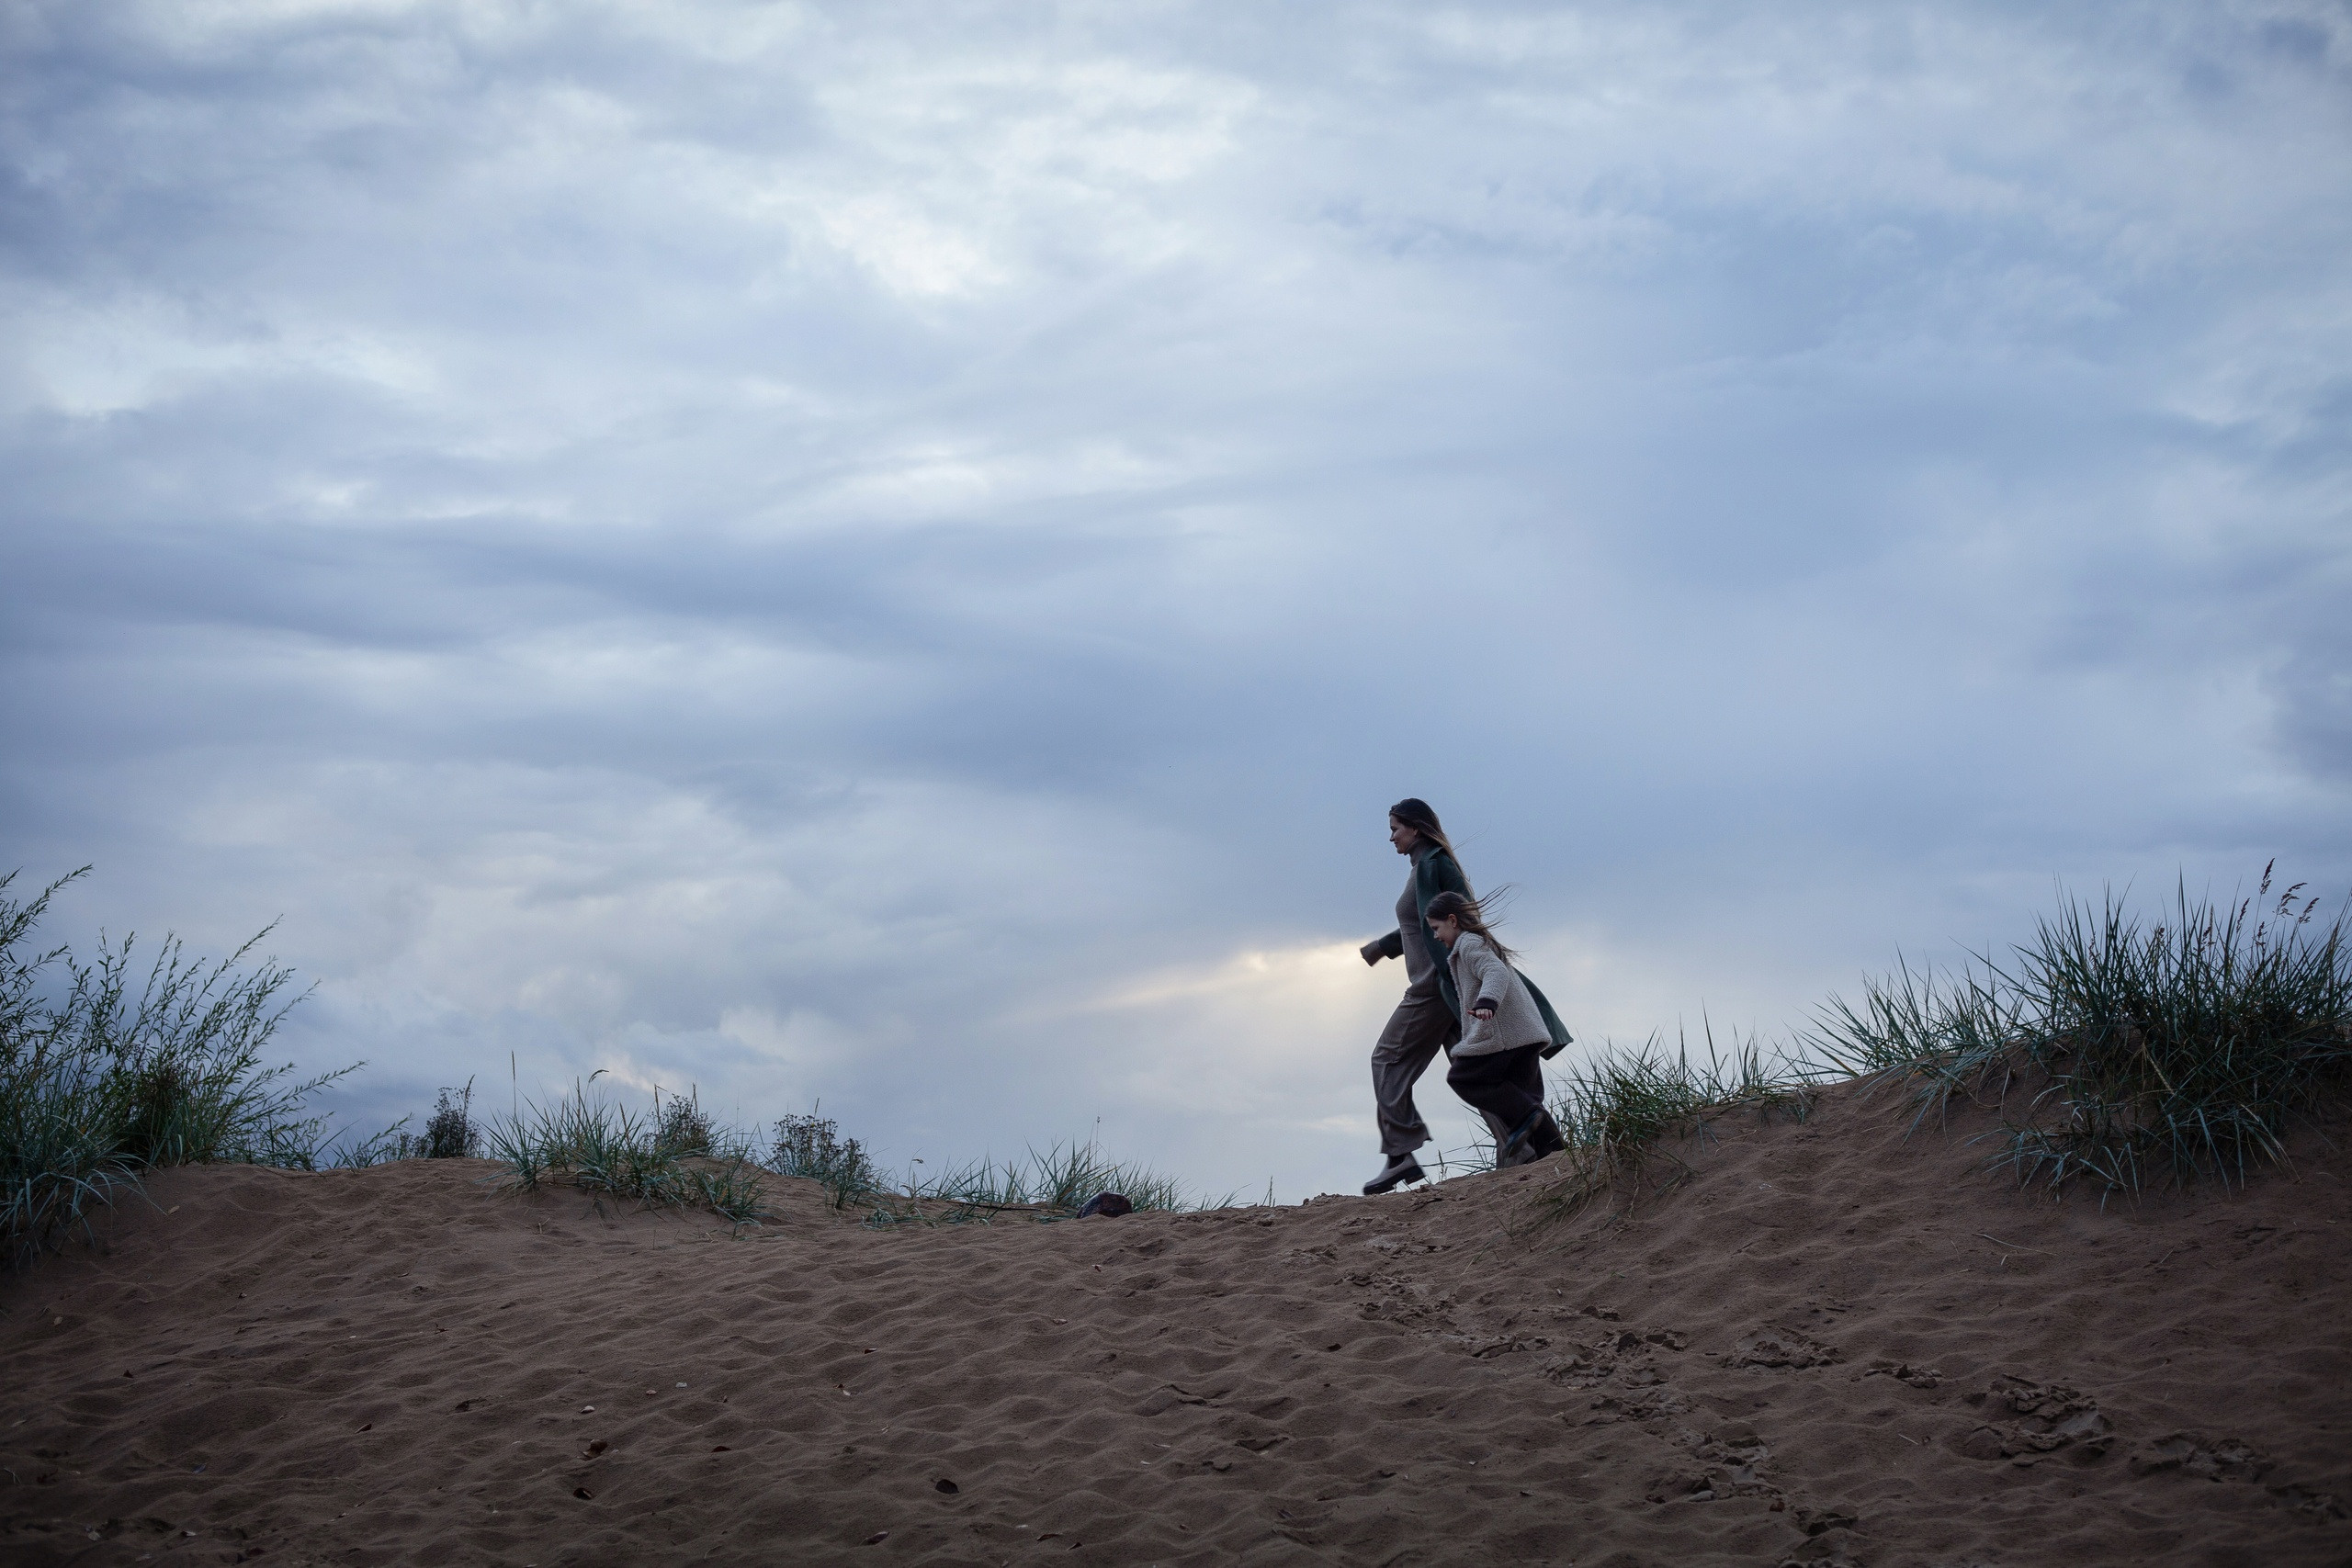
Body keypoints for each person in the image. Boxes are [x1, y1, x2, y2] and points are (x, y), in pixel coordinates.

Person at [1356, 798, 1488, 1194]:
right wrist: (1384, 947)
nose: (1391, 837)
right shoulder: (1423, 868)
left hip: (1433, 984)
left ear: (1415, 828)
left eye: (1395, 829)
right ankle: (1521, 1143)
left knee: (1386, 1058)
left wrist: (1468, 971)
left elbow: (1463, 921)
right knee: (1472, 1069)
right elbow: (1426, 925)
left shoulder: (1434, 864)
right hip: (1444, 982)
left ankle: (1401, 1152)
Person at [1426, 889, 1568, 1165]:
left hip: (1506, 1036)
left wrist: (1487, 1002)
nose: (1435, 936)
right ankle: (1559, 1157)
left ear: (1453, 920)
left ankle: (1526, 1117)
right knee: (1527, 1098)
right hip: (1525, 1035)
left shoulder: (1469, 943)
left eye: (1436, 928)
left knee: (1462, 1077)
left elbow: (1494, 972)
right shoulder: (1478, 942)